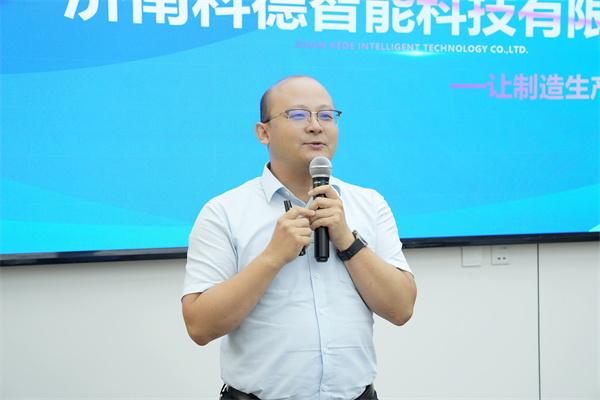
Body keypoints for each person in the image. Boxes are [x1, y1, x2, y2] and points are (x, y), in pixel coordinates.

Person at [182, 75, 417, 400]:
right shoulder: (224, 211)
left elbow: (402, 309)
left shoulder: (370, 204)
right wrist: (272, 257)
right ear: (263, 132)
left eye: (326, 115)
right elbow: (199, 327)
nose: (316, 126)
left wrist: (347, 240)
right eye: (298, 115)